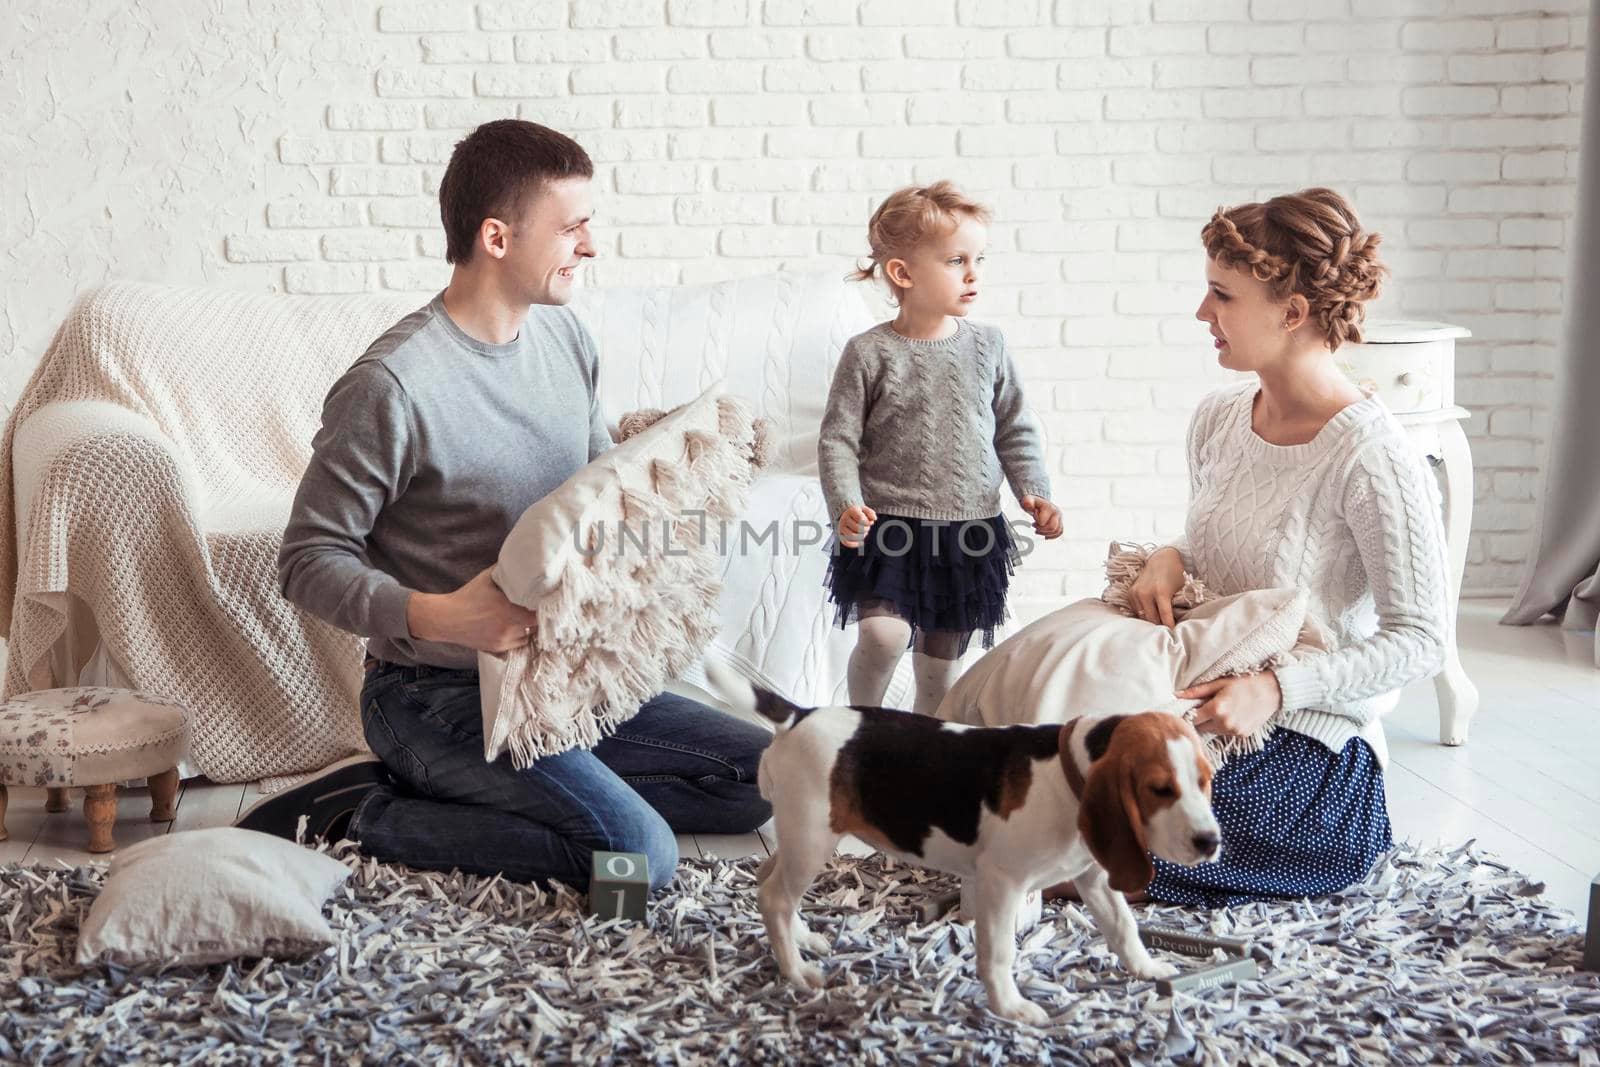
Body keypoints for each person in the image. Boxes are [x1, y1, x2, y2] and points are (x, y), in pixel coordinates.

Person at [239, 120, 771, 893]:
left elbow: (586, 495)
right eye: (572, 227)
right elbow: (306, 562)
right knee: (638, 864)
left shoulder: (565, 338)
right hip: (435, 696)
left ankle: (513, 799)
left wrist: (662, 449)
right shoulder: (392, 385)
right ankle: (364, 814)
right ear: (497, 236)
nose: (588, 245)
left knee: (760, 778)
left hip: (563, 682)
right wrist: (440, 615)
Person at [1126, 188, 1449, 906]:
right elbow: (1224, 547)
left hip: (1311, 744)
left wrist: (1277, 689)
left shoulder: (1372, 458)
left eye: (1220, 296)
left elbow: (1422, 640)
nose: (1202, 315)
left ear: (1293, 312)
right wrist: (1171, 557)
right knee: (1052, 781)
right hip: (1201, 706)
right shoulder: (1218, 418)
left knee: (1110, 828)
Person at [817, 181, 1063, 717]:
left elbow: (1014, 426)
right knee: (882, 638)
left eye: (978, 259)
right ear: (903, 274)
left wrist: (1035, 491)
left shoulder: (989, 345)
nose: (973, 274)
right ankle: (864, 723)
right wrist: (846, 505)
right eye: (956, 260)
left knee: (939, 661)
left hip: (967, 528)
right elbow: (838, 438)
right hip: (888, 526)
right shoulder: (869, 353)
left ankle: (924, 746)